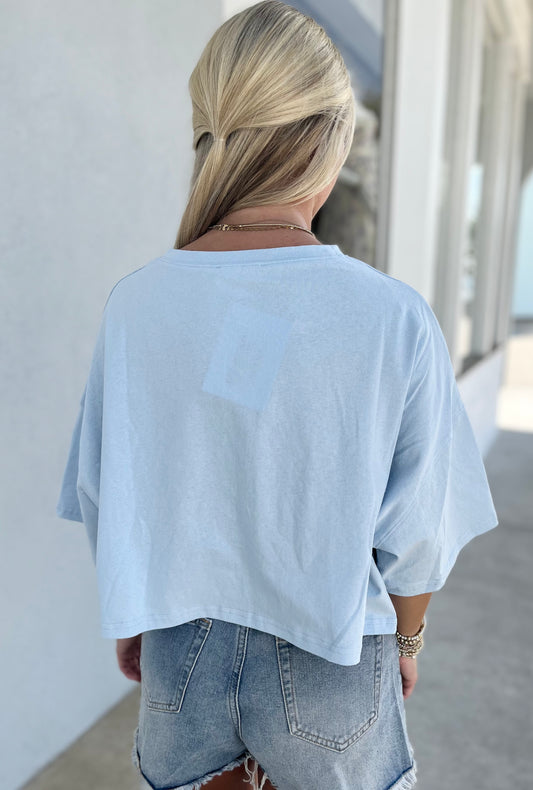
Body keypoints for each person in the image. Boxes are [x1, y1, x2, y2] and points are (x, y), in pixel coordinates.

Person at [55, 2, 499, 789]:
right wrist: (404, 644)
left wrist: (139, 614)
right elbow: (419, 533)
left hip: (176, 653)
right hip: (329, 658)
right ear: (330, 141)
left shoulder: (136, 303)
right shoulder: (388, 315)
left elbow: (105, 490)